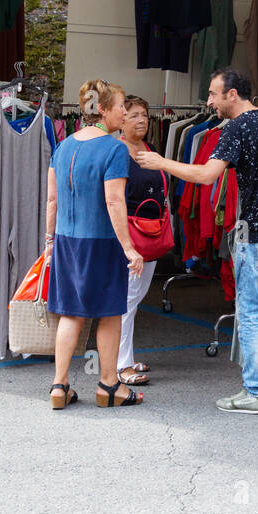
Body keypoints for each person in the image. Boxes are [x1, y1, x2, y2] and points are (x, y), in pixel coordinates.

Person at [138, 68, 258, 413]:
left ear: (232, 95)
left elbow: (206, 176)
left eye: (213, 94)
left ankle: (255, 392)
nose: (209, 101)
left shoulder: (236, 127)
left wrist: (161, 162)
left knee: (249, 311)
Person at [46, 80, 145, 409]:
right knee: (109, 313)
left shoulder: (63, 146)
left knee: (70, 314)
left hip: (65, 240)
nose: (124, 112)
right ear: (102, 109)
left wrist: (49, 244)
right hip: (100, 242)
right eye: (120, 106)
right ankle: (108, 385)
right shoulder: (115, 148)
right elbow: (115, 201)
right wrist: (129, 247)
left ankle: (59, 387)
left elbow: (52, 200)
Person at [116, 94, 166, 387]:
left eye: (145, 115)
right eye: (134, 114)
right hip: (130, 235)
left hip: (152, 232)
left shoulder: (150, 150)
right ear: (121, 119)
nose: (142, 120)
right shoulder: (117, 151)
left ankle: (126, 356)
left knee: (135, 299)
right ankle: (121, 365)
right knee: (126, 299)